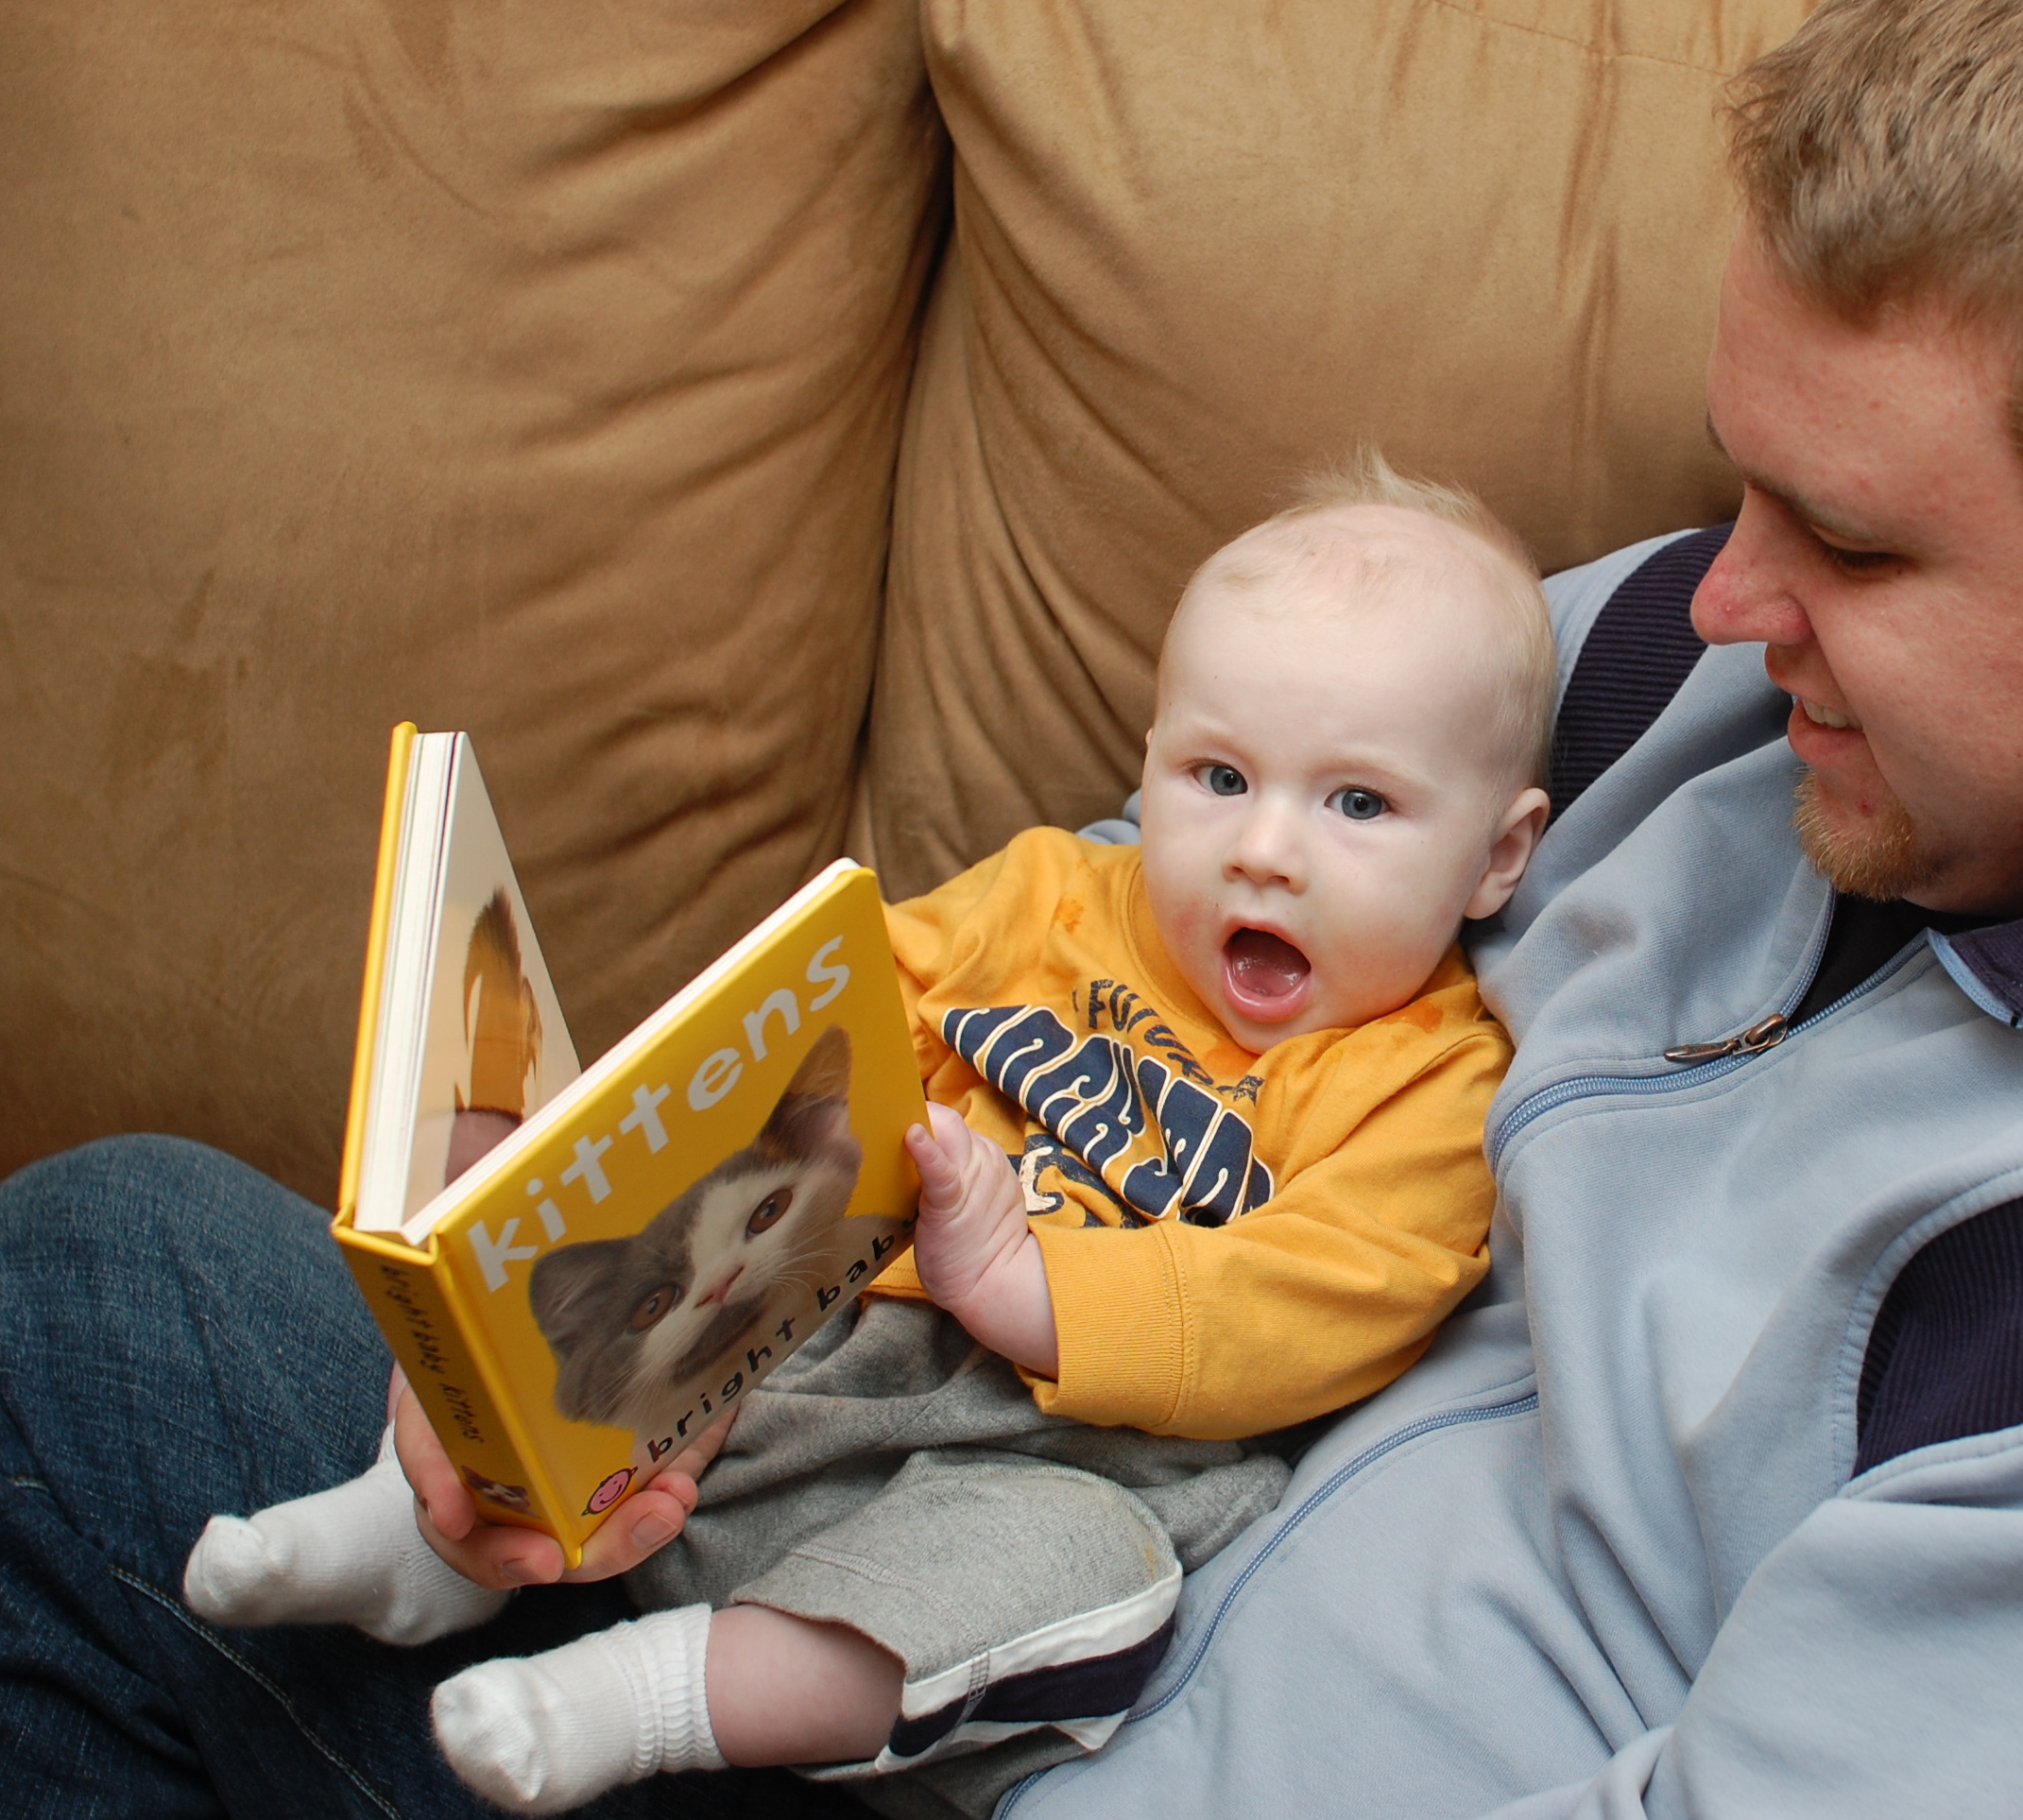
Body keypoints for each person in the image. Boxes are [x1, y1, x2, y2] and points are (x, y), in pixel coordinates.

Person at [0, 0, 2023, 1815]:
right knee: (131, 1284)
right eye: (1742, 484)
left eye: (1857, 543)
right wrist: (625, 1339)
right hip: (901, 1606)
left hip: (1035, 1705)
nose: (1709, 597)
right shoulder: (1713, 677)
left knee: (80, 1339)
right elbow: (1104, 960)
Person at [155, 460, 1551, 1815]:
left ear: (1498, 854)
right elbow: (850, 1000)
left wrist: (1028, 1287)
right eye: (1220, 775)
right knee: (610, 1311)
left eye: (1358, 804)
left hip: (1055, 1460)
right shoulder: (1056, 891)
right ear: (1150, 760)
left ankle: (647, 1698)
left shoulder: (1434, 1078)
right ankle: (420, 1543)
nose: (1264, 850)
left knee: (1093, 1574)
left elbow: (1331, 1295)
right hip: (815, 1332)